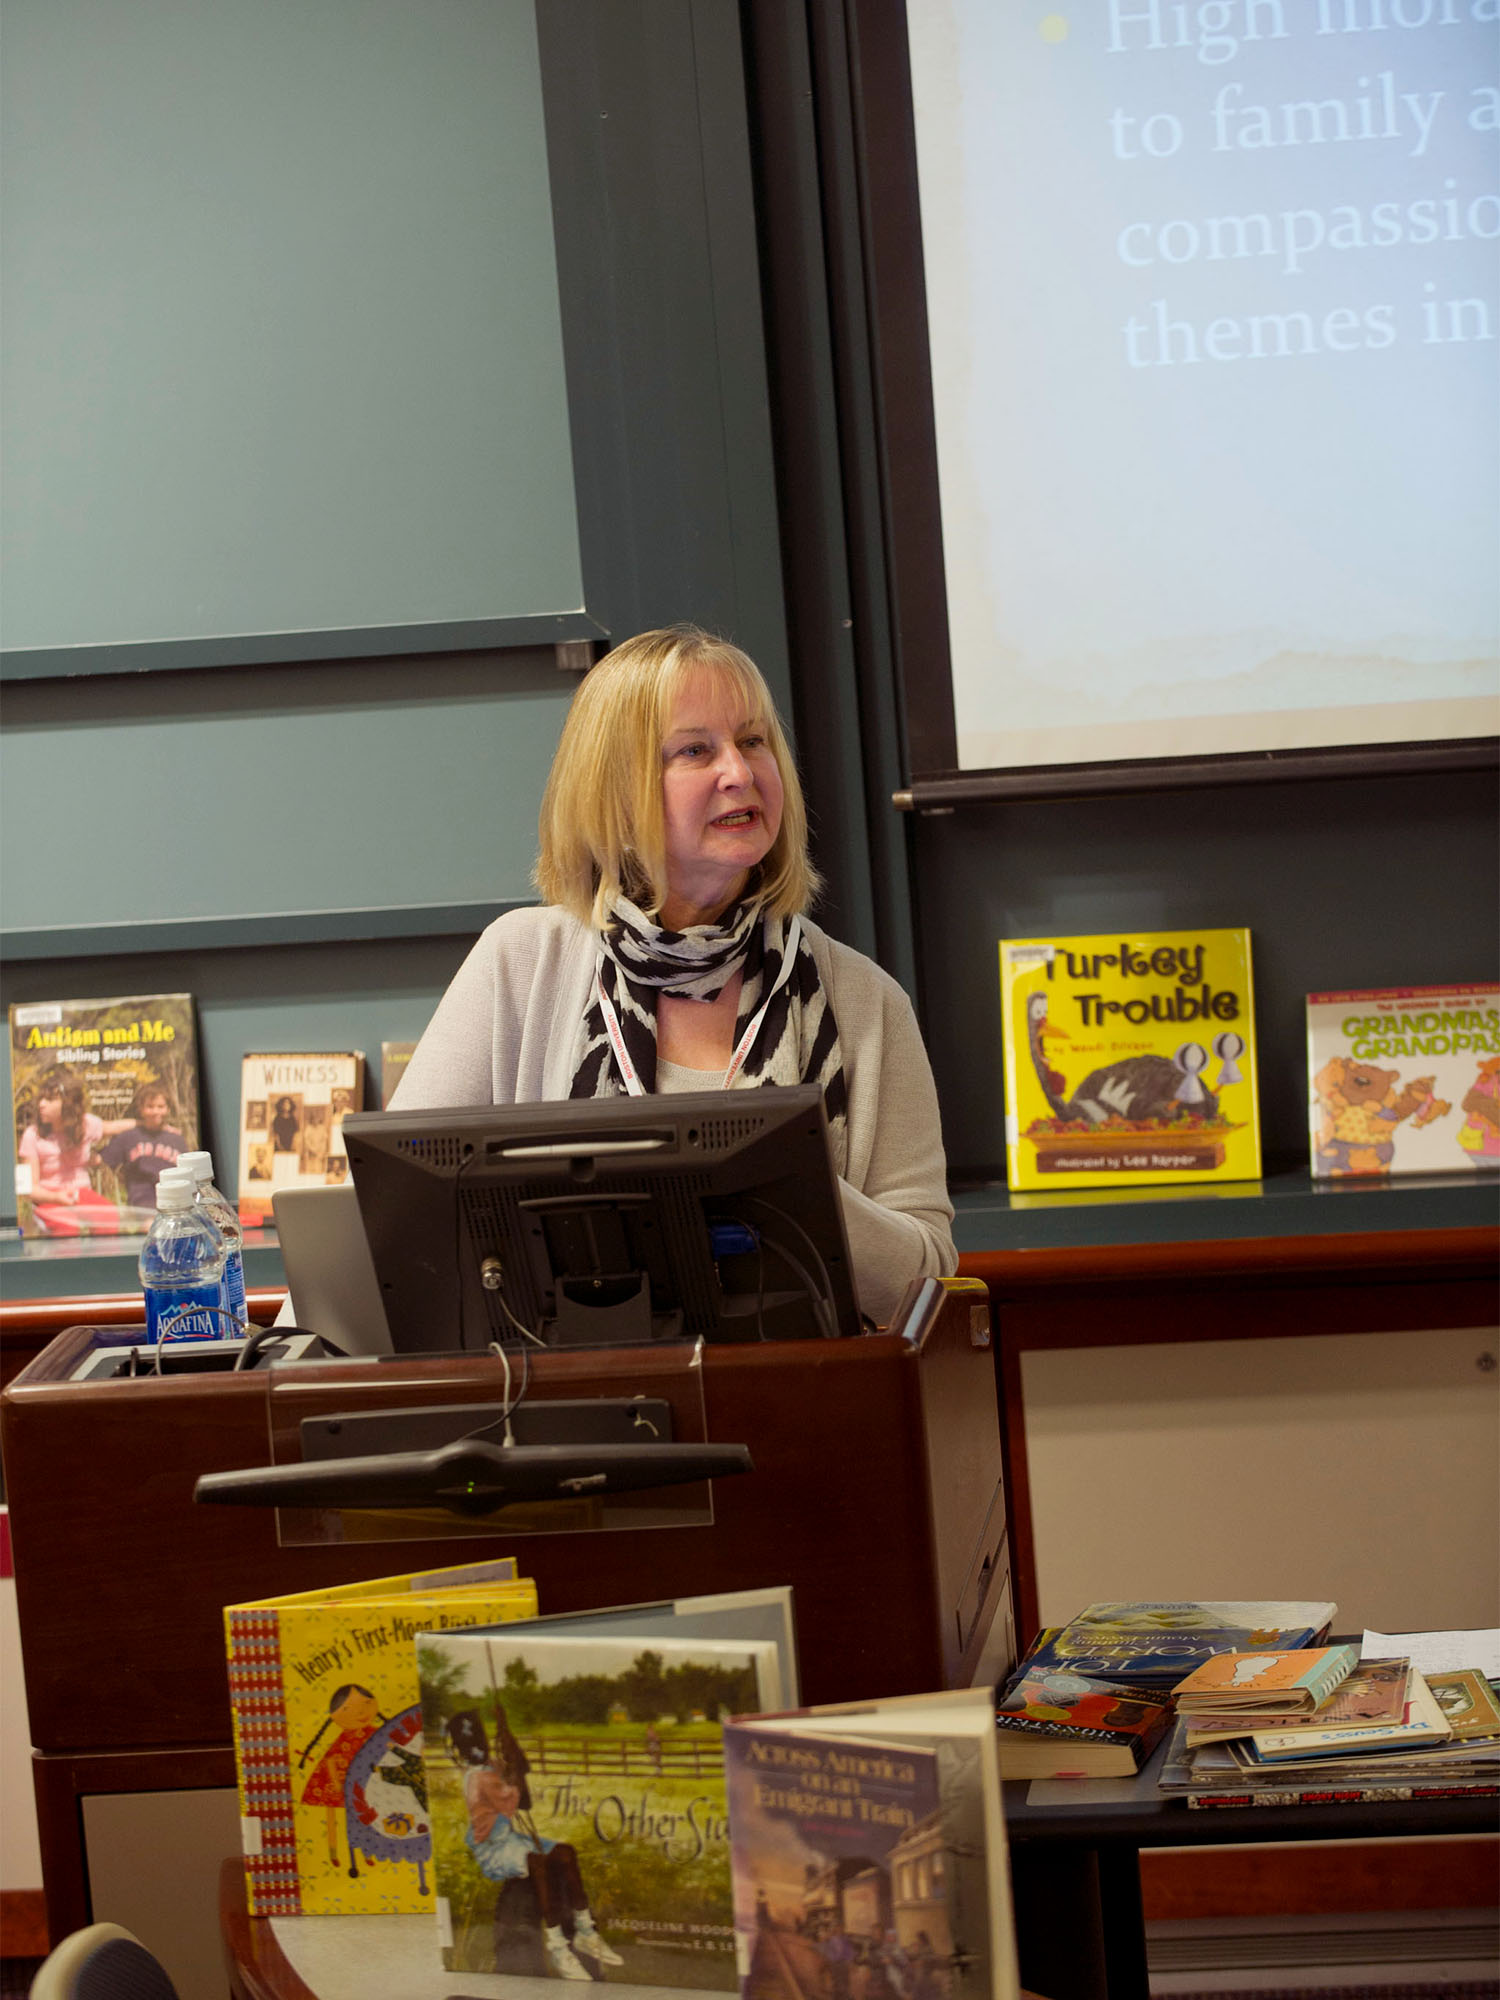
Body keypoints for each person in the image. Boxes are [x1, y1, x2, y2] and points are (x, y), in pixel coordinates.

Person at [392, 625, 956, 1325]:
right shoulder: (521, 964)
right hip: (568, 1409)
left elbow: (926, 1277)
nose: (741, 773)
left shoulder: (862, 998)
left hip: (803, 1405)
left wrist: (788, 1183)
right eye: (696, 750)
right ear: (616, 794)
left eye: (753, 742)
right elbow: (393, 1212)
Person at [17, 1068, 127, 1235]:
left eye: (49, 1099)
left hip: (81, 1193)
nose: (41, 1104)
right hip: (47, 1198)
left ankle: (102, 1260)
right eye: (41, 1099)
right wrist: (56, 1197)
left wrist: (150, 1124)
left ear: (67, 1103)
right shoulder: (31, 1135)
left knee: (109, 1216)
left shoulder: (85, 1125)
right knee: (67, 1227)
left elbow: (112, 1127)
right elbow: (27, 1189)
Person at [95, 1083, 187, 1213]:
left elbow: (187, 1175)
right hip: (142, 1197)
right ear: (141, 1109)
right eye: (150, 1107)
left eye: (160, 1106)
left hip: (173, 1196)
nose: (155, 1111)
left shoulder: (177, 1139)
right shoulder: (129, 1137)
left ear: (168, 1109)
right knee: (151, 1222)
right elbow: (102, 1159)